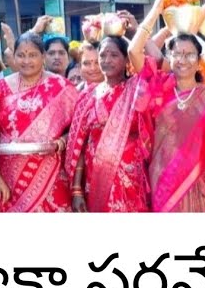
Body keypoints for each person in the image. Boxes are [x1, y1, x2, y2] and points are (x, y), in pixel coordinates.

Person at [132, 0, 205, 213]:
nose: (182, 59)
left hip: (202, 182)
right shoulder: (159, 88)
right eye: (177, 54)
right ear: (169, 57)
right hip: (163, 182)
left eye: (189, 54)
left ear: (199, 60)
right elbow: (134, 51)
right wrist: (156, 9)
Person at [0, 32, 79, 212]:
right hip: (9, 176)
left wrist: (61, 142)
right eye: (21, 55)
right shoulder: (0, 88)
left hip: (51, 173)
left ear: (43, 56)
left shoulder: (62, 87)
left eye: (32, 55)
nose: (26, 61)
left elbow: (77, 128)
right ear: (14, 56)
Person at [66, 23, 154, 213]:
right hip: (95, 180)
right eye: (103, 55)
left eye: (114, 55)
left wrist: (134, 29)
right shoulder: (88, 96)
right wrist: (76, 190)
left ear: (126, 60)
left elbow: (156, 59)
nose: (107, 60)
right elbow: (79, 146)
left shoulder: (136, 89)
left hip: (131, 180)